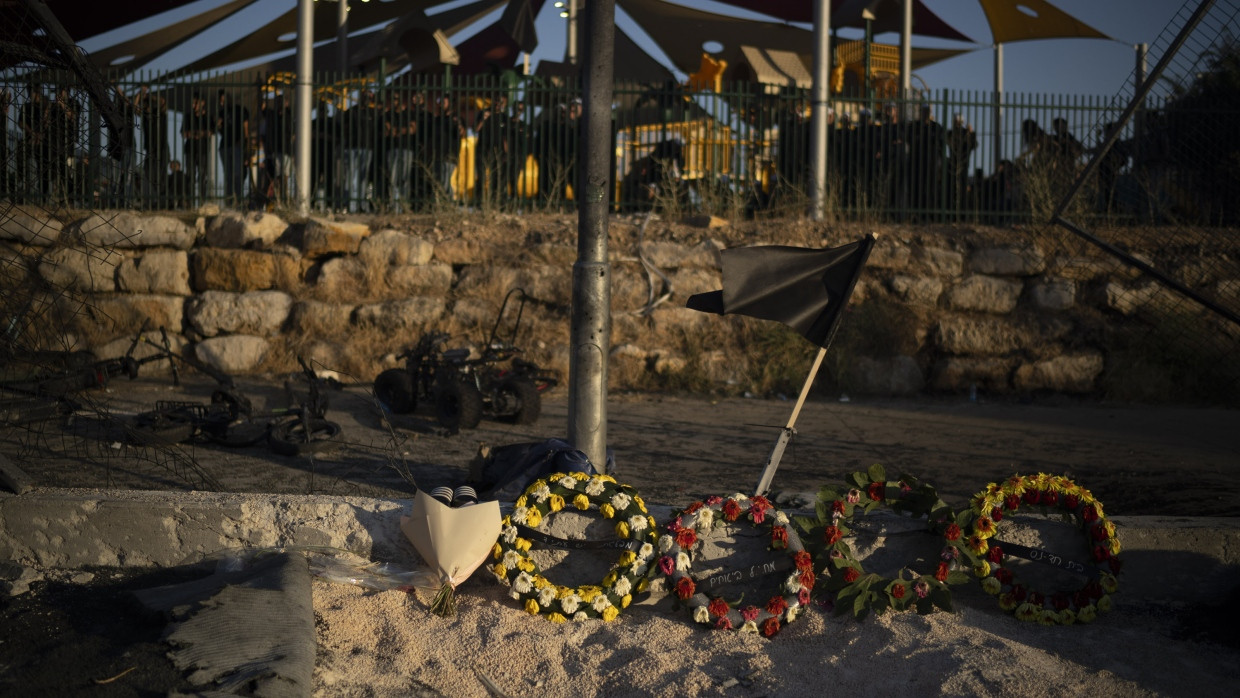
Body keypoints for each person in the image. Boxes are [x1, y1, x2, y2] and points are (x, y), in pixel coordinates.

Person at [474, 93, 511, 206]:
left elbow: (505, 138)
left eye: (501, 102)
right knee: (481, 176)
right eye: (496, 101)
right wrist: (484, 118)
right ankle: (479, 202)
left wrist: (506, 153)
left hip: (497, 151)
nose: (498, 104)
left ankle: (495, 202)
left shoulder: (504, 117)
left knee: (496, 177)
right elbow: (476, 129)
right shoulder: (484, 113)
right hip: (483, 149)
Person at [216, 89, 249, 206]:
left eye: (223, 100)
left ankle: (239, 200)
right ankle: (229, 202)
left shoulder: (240, 110)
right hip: (225, 146)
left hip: (236, 145)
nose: (222, 103)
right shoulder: (221, 113)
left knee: (237, 174)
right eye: (220, 100)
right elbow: (220, 131)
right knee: (229, 176)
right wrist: (219, 125)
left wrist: (245, 145)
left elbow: (246, 130)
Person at [259, 93, 293, 205]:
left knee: (285, 176)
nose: (280, 104)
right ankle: (279, 198)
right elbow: (263, 108)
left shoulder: (289, 115)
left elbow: (292, 132)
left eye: (282, 101)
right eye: (278, 101)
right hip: (277, 149)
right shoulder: (272, 115)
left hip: (286, 150)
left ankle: (284, 198)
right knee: (278, 175)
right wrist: (261, 92)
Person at [181, 91, 212, 207]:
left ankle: (203, 202)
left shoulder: (207, 117)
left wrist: (196, 134)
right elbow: (184, 133)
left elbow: (209, 132)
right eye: (193, 103)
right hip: (190, 150)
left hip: (203, 150)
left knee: (203, 176)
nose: (194, 105)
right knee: (190, 177)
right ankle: (190, 202)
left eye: (196, 102)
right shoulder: (188, 116)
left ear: (202, 103)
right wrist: (197, 134)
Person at [947, 114, 977, 210]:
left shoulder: (965, 133)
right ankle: (952, 211)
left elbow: (974, 145)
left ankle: (963, 212)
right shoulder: (950, 133)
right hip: (952, 163)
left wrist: (971, 133)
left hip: (963, 163)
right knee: (952, 189)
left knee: (963, 189)